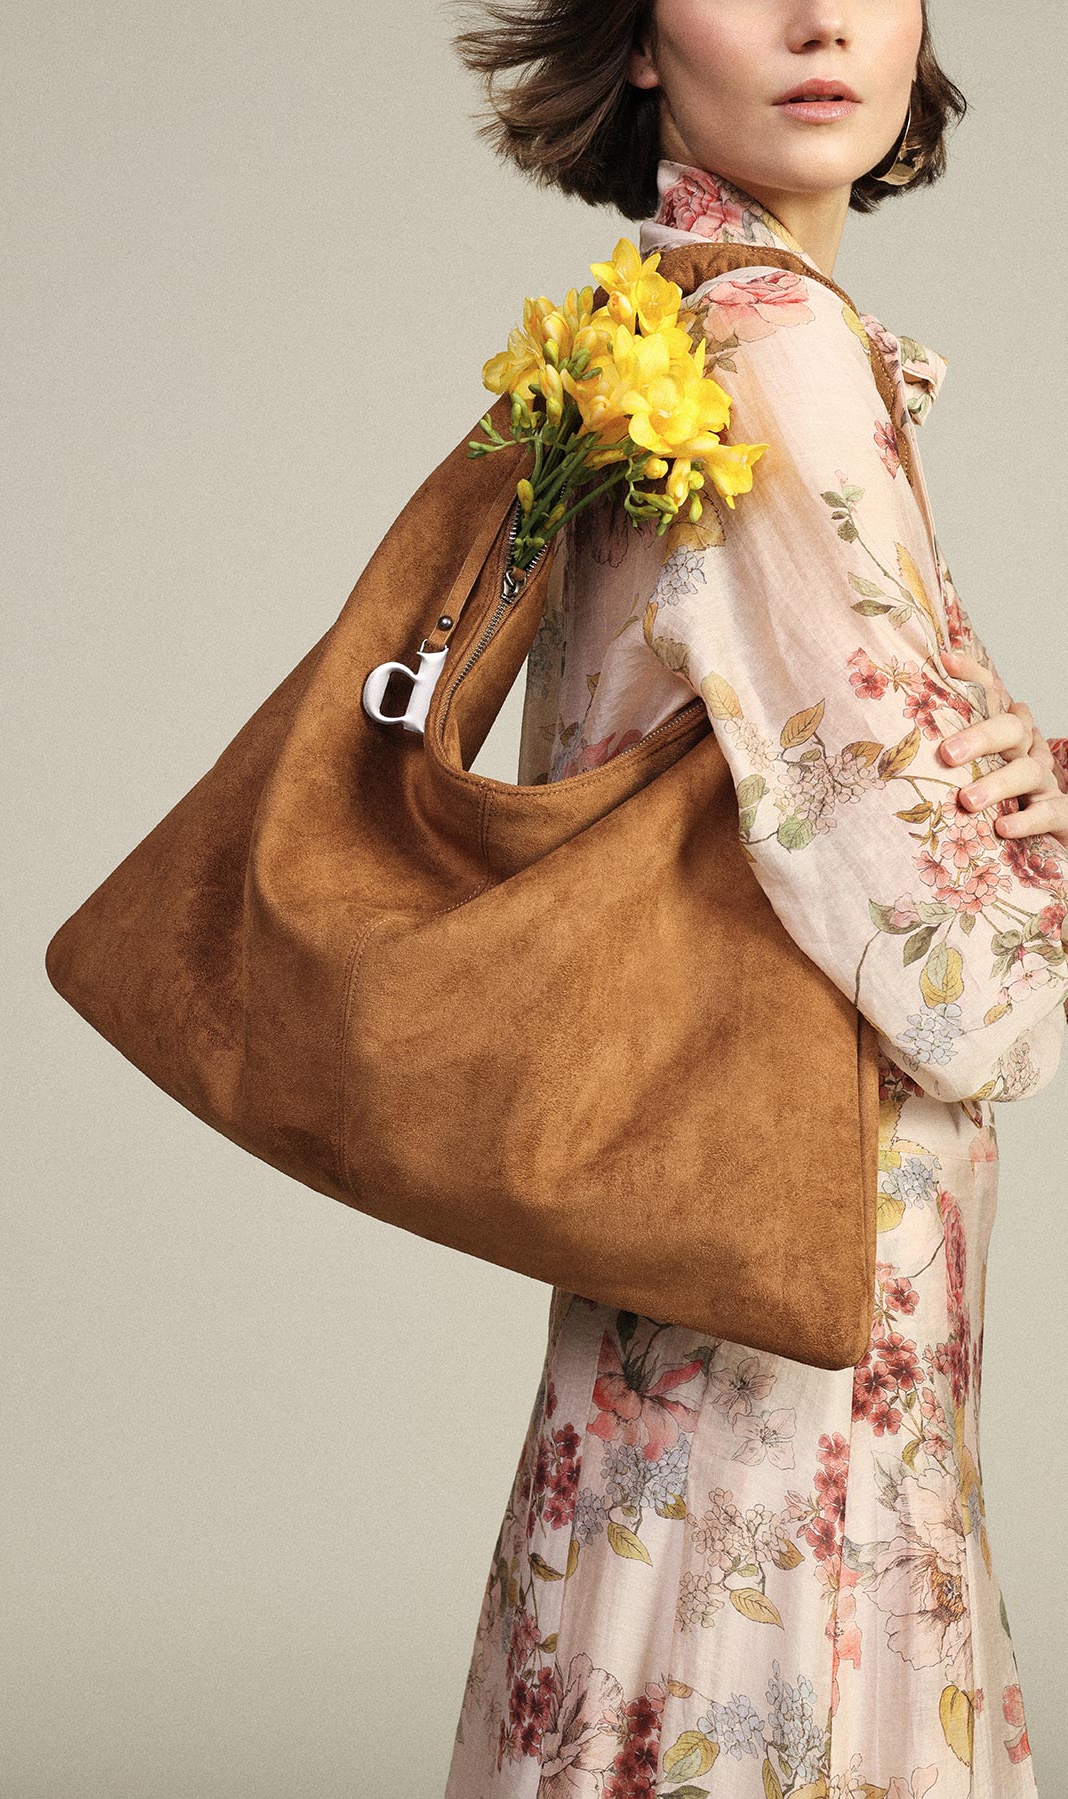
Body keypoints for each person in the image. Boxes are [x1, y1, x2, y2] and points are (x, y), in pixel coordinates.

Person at [443, 2, 1068, 1792]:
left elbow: (785, 753)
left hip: (680, 1220)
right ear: (636, 40)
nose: (820, 18)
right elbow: (948, 958)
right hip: (801, 1254)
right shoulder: (773, 344)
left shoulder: (643, 327)